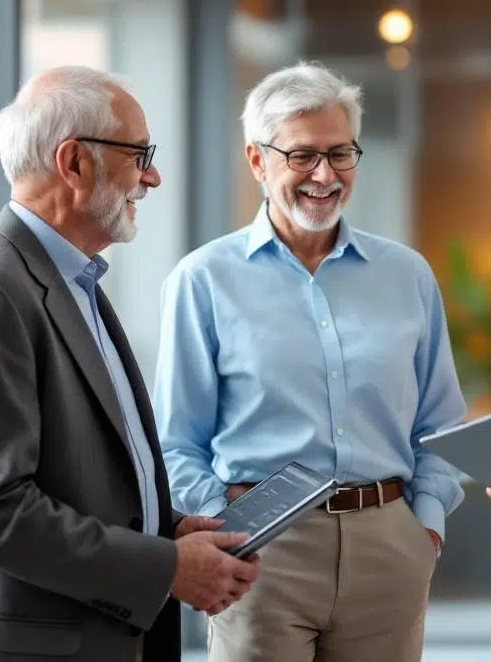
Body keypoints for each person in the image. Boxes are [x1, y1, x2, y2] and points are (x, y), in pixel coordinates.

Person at [0, 66, 259, 662]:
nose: (153, 177)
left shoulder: (72, 284)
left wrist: (164, 531)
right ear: (74, 162)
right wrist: (164, 567)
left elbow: (75, 477)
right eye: (139, 155)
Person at [153, 61, 466, 662]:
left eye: (340, 153)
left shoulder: (406, 274)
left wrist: (424, 525)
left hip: (389, 545)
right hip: (261, 550)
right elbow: (175, 441)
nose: (324, 174)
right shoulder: (203, 280)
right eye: (302, 155)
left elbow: (441, 423)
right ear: (257, 160)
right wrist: (227, 529)